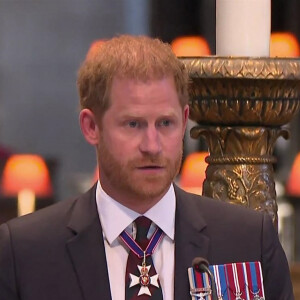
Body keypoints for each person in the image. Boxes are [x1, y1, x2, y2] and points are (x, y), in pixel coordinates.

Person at [0, 35, 294, 300]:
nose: (152, 145)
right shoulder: (25, 252)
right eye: (133, 124)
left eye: (165, 123)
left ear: (184, 120)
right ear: (92, 127)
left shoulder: (247, 240)